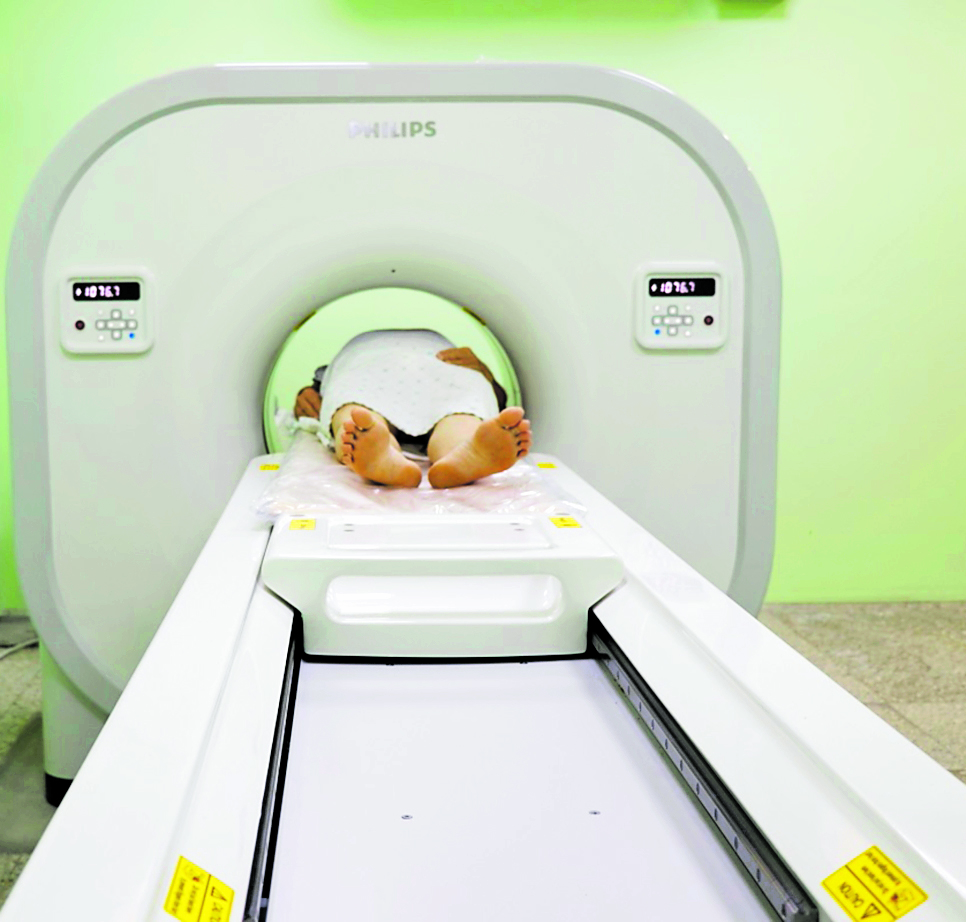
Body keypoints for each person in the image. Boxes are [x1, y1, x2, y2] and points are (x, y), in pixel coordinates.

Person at [294, 329, 531, 489]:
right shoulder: (459, 356)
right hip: (447, 369)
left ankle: (384, 452)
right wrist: (488, 380)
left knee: (355, 414)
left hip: (365, 373)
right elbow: (499, 400)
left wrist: (309, 399)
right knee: (462, 415)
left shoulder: (345, 362)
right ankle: (460, 450)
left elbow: (316, 402)